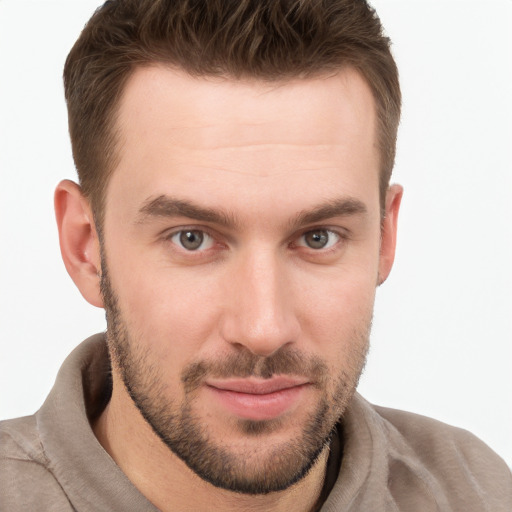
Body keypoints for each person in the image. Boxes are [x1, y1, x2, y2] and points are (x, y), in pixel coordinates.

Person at [0, 0, 510, 510]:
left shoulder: (476, 489)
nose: (263, 328)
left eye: (318, 238)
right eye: (192, 238)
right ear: (85, 247)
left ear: (384, 237)